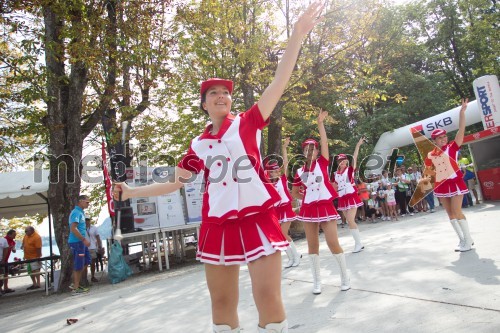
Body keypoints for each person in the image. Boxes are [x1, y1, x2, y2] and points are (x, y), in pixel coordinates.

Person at [114, 4, 325, 332]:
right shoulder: (197, 145)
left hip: (258, 216)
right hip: (218, 224)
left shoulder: (248, 122)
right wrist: (131, 191)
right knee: (222, 303)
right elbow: (174, 182)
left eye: (225, 92)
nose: (221, 96)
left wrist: (297, 35)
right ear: (204, 103)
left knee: (267, 295)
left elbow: (279, 81)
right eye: (213, 93)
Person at [291, 109, 350, 295]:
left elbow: (324, 142)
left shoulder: (323, 163)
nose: (310, 151)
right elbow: (294, 192)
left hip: (325, 206)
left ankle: (344, 277)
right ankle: (317, 282)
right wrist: (307, 198)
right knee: (312, 246)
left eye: (313, 148)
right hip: (309, 209)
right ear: (303, 152)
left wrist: (320, 124)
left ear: (317, 151)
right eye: (306, 149)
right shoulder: (299, 172)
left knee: (333, 242)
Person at [424, 98, 474, 252]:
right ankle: (462, 239)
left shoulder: (452, 147)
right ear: (434, 140)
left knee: (457, 211)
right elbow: (428, 171)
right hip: (441, 185)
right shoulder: (430, 154)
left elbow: (461, 130)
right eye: (440, 138)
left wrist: (462, 113)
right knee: (450, 213)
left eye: (444, 136)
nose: (443, 139)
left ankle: (469, 239)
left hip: (455, 183)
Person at [265, 137, 301, 268]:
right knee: (281, 235)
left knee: (283, 234)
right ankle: (291, 258)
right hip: (276, 211)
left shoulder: (283, 179)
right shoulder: (268, 183)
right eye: (271, 172)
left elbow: (285, 162)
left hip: (285, 208)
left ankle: (296, 257)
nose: (274, 173)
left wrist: (284, 148)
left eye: (275, 170)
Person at [332, 137, 365, 252]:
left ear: (346, 161)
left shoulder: (349, 170)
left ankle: (358, 244)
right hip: (342, 199)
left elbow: (355, 158)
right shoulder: (336, 174)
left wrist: (358, 145)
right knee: (349, 221)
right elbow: (334, 187)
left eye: (344, 160)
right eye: (340, 160)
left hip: (351, 197)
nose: (342, 162)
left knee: (350, 220)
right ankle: (358, 243)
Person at [68, 195, 91, 295]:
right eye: (87, 202)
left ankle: (76, 283)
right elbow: (73, 228)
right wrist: (83, 239)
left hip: (81, 243)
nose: (88, 204)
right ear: (80, 201)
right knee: (79, 264)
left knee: (86, 261)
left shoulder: (81, 212)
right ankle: (75, 287)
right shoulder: (76, 213)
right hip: (77, 242)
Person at [22, 226, 43, 290]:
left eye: (26, 231)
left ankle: (38, 283)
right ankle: (34, 283)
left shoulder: (37, 237)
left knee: (36, 270)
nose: (25, 232)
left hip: (34, 256)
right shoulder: (26, 236)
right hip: (27, 257)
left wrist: (38, 257)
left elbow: (38, 248)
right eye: (25, 231)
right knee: (30, 271)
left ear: (31, 231)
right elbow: (23, 243)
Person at [85, 218, 103, 283]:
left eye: (88, 220)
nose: (87, 221)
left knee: (93, 263)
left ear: (89, 220)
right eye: (85, 220)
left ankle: (92, 276)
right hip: (85, 248)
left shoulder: (94, 228)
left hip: (92, 247)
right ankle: (85, 278)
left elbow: (98, 237)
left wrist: (100, 246)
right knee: (85, 264)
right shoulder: (82, 228)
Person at [1, 229, 17, 294]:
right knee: (1, 273)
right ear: (9, 234)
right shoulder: (4, 240)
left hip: (6, 260)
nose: (15, 236)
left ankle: (6, 287)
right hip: (2, 259)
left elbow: (14, 250)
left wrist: (13, 248)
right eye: (14, 235)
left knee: (6, 273)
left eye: (15, 235)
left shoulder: (13, 241)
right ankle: (1, 288)